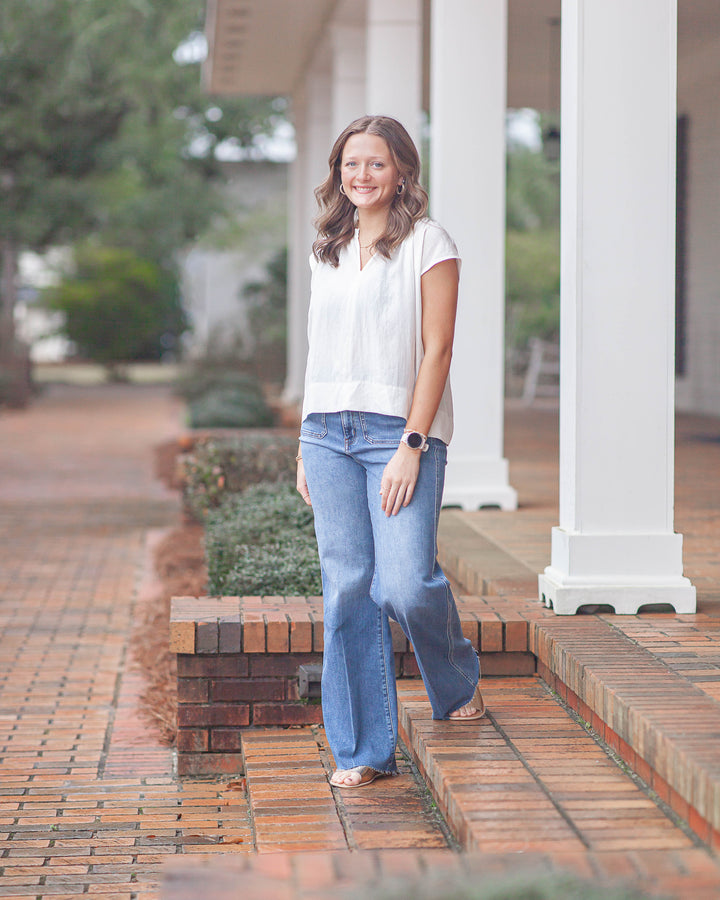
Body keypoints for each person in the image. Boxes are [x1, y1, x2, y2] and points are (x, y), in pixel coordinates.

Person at [296, 115, 485, 790]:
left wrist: (412, 443)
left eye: (376, 164)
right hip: (327, 434)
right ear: (337, 172)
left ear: (402, 170)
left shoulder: (429, 243)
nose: (362, 177)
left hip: (398, 434)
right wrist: (303, 440)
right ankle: (364, 750)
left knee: (404, 583)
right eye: (351, 164)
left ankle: (456, 672)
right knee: (348, 589)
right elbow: (321, 349)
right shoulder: (329, 244)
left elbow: (438, 349)